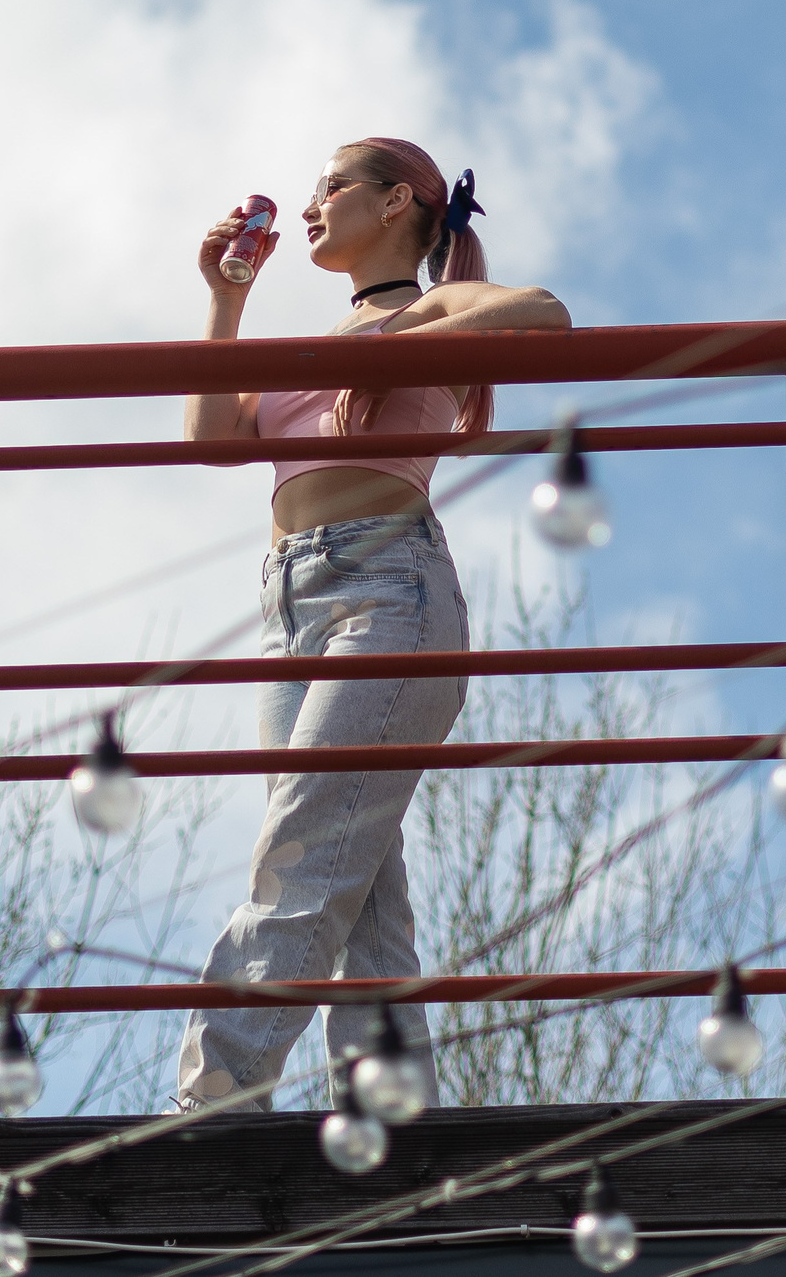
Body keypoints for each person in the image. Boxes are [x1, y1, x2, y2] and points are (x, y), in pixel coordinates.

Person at [174, 137, 571, 1110]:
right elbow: (214, 440)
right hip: (290, 606)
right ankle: (391, 1113)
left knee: (303, 852)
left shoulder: (427, 307)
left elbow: (546, 316)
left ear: (397, 203)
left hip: (389, 591)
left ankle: (214, 1093)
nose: (312, 207)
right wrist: (226, 300)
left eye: (332, 188)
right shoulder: (315, 338)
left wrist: (398, 341)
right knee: (355, 890)